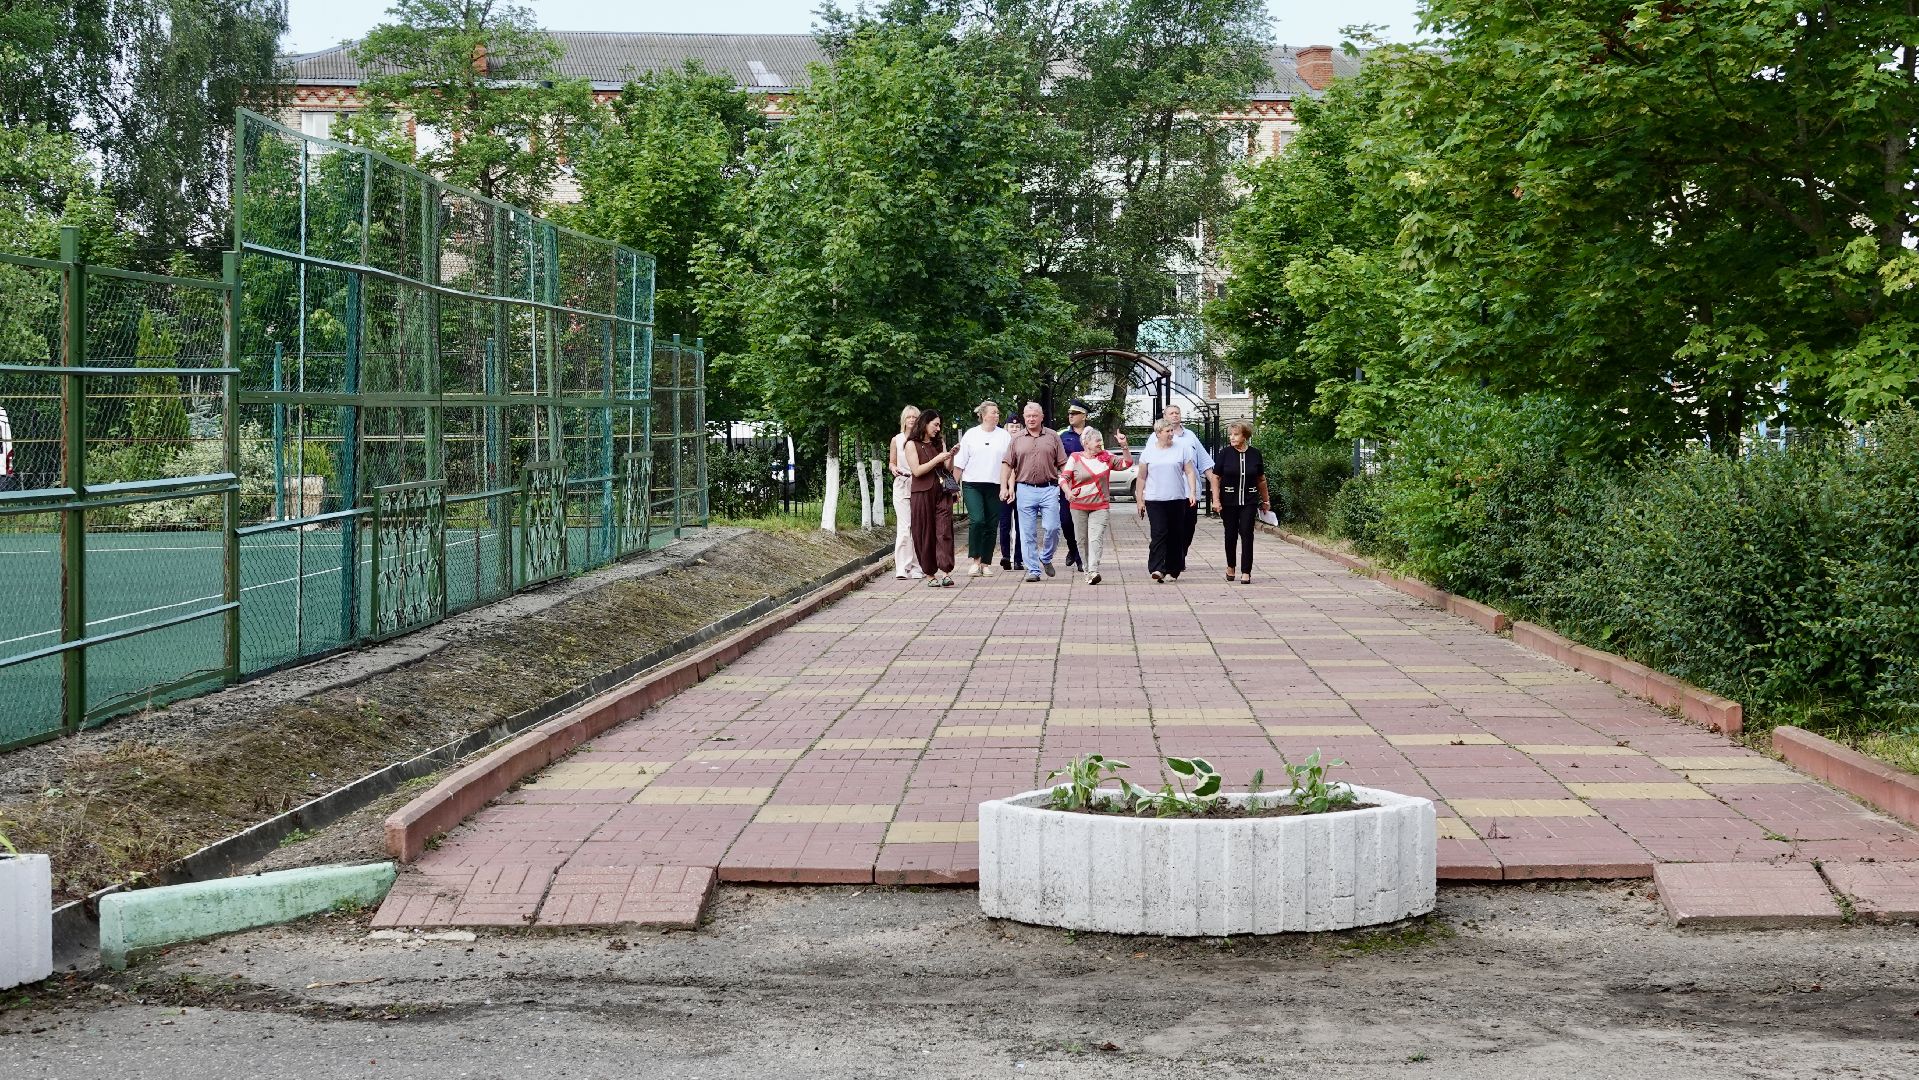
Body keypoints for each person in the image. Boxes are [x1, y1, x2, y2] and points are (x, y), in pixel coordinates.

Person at [1000, 401, 1067, 583]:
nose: (1031, 419)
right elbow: (1007, 463)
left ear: (1041, 417)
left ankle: (1045, 557)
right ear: (1024, 418)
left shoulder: (1053, 436)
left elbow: (1063, 463)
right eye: (1028, 416)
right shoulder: (1016, 439)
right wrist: (1004, 487)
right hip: (1025, 489)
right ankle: (1033, 570)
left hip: (1049, 488)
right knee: (1027, 532)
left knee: (1053, 527)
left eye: (1034, 416)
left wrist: (1069, 484)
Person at [1059, 427, 1131, 585]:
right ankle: (1086, 570)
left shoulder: (1107, 457)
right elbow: (1063, 478)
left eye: (1101, 440)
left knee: (1095, 538)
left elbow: (1126, 463)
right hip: (1078, 506)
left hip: (1100, 505)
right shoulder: (1075, 457)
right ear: (1086, 443)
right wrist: (1068, 492)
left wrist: (1124, 446)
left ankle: (1093, 570)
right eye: (1097, 440)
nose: (1100, 443)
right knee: (1081, 540)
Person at [1134, 418, 1199, 582]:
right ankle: (1157, 567)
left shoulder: (1182, 449)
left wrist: (1192, 492)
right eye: (1167, 431)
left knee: (1176, 534)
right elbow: (1141, 477)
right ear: (1158, 434)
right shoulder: (1149, 452)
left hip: (1176, 498)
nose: (1171, 434)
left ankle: (1173, 567)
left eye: (1172, 431)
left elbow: (1190, 471)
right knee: (1159, 533)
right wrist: (1140, 500)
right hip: (1155, 499)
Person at [952, 400, 1012, 578]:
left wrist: (1007, 485)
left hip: (995, 484)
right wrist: (954, 487)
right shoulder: (971, 435)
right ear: (984, 415)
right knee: (977, 520)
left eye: (998, 412)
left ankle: (986, 563)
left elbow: (1010, 463)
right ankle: (975, 560)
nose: (997, 415)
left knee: (991, 524)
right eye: (993, 412)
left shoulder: (1004, 436)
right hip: (973, 484)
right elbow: (959, 463)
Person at [1208, 420, 1271, 584]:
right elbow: (1216, 477)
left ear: (1245, 436)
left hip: (1249, 500)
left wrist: (1266, 500)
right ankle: (1230, 566)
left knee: (1246, 533)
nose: (1232, 437)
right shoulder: (1225, 453)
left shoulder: (1255, 454)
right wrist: (1215, 500)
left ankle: (1246, 571)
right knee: (1230, 534)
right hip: (1228, 501)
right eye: (1230, 434)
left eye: (1236, 434)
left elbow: (1261, 479)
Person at [902, 409, 958, 587]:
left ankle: (947, 571)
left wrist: (951, 456)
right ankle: (930, 574)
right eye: (935, 424)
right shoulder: (911, 444)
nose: (938, 428)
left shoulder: (938, 442)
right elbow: (917, 471)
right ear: (925, 424)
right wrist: (937, 459)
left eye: (939, 425)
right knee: (924, 533)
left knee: (944, 531)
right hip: (922, 493)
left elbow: (946, 469)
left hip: (941, 492)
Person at [1163, 405, 1215, 570]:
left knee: (1188, 527)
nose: (1175, 415)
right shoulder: (1157, 437)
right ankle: (1172, 560)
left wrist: (1215, 488)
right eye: (1171, 413)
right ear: (1164, 416)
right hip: (1169, 492)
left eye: (1177, 412)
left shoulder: (1190, 436)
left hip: (1191, 492)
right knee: (1170, 528)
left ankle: (1180, 554)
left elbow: (1205, 463)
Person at [887, 405, 923, 580]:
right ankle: (901, 566)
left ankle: (916, 566)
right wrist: (894, 469)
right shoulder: (897, 439)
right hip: (902, 484)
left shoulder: (922, 440)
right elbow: (892, 462)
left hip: (919, 485)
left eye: (914, 417)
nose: (911, 420)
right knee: (904, 526)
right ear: (904, 419)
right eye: (908, 417)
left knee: (917, 527)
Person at [1057, 400, 1091, 570]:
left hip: (1087, 486)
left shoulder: (1093, 434)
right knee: (1066, 521)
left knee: (1083, 523)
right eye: (1069, 413)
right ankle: (1072, 548)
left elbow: (1100, 457)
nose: (1070, 416)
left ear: (1084, 416)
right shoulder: (1062, 434)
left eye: (1075, 413)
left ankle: (1080, 558)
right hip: (1067, 486)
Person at [996, 416, 1023, 571]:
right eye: (1011, 427)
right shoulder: (1002, 444)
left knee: (1021, 525)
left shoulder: (1023, 442)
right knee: (1005, 523)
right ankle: (1006, 556)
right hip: (1004, 486)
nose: (1014, 429)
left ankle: (1019, 558)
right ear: (1006, 428)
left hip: (1022, 486)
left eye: (1017, 427)